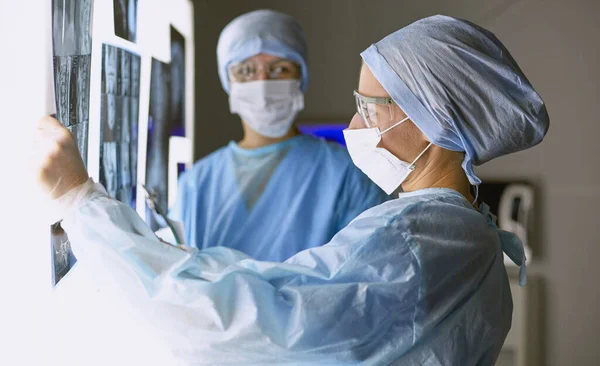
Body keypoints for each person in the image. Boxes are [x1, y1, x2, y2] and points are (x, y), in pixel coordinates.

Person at [33, 15, 548, 364]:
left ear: (431, 117)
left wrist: (82, 202)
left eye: (371, 107)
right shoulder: (460, 232)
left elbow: (258, 319)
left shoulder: (420, 238)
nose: (354, 122)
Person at [167, 9, 390, 261]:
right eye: (246, 70)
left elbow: (371, 275)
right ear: (228, 81)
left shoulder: (346, 176)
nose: (262, 83)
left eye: (279, 69)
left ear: (301, 77)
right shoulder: (197, 183)